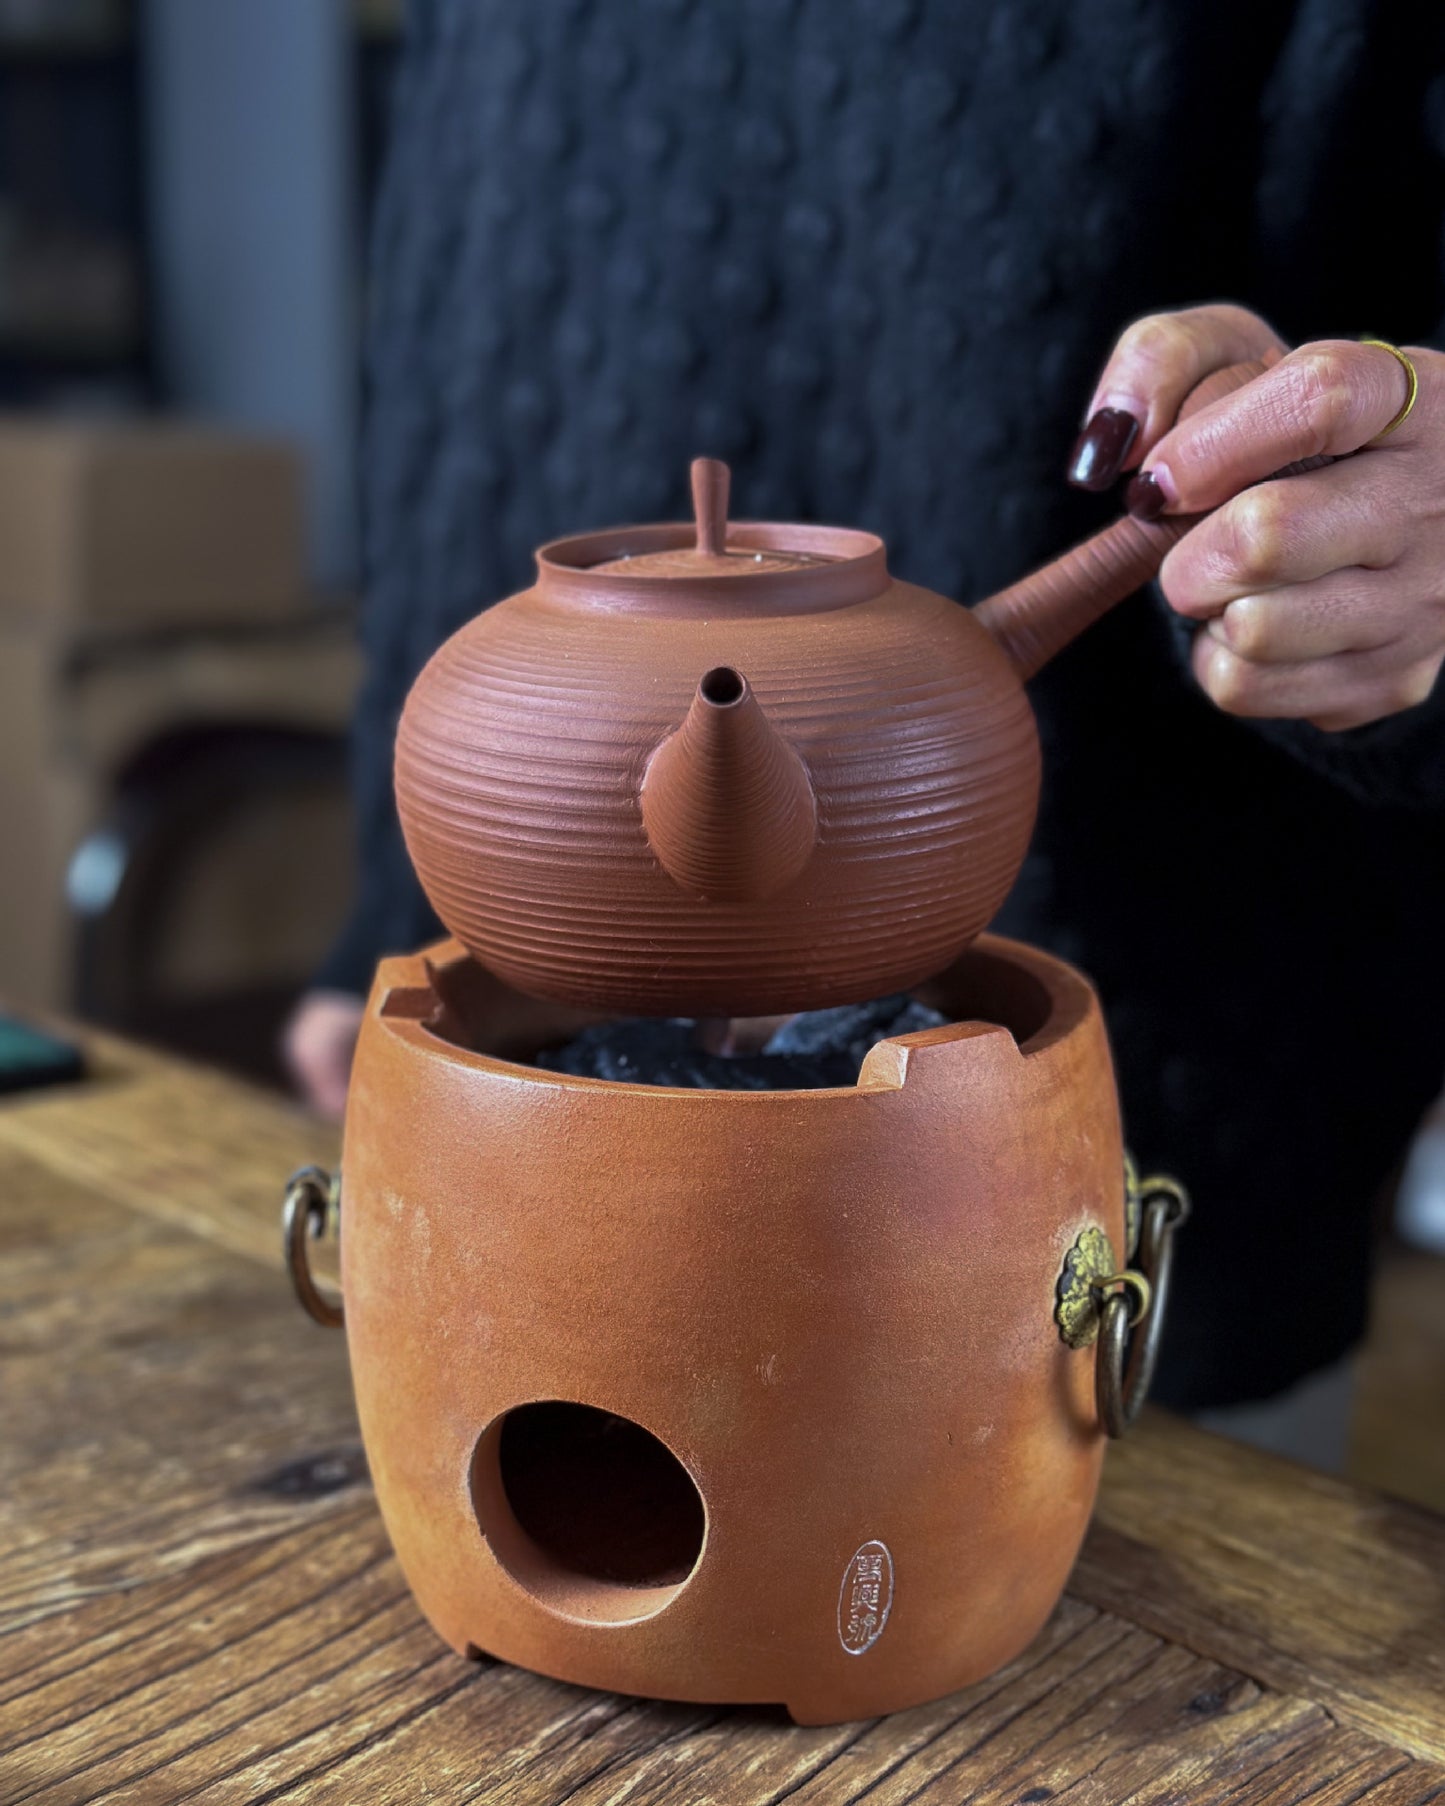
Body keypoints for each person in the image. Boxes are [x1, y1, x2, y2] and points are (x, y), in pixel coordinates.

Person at [287, 0, 1445, 1465]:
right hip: (510, 1099)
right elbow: (458, 282)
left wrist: (1391, 520)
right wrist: (389, 914)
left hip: (1113, 1131)